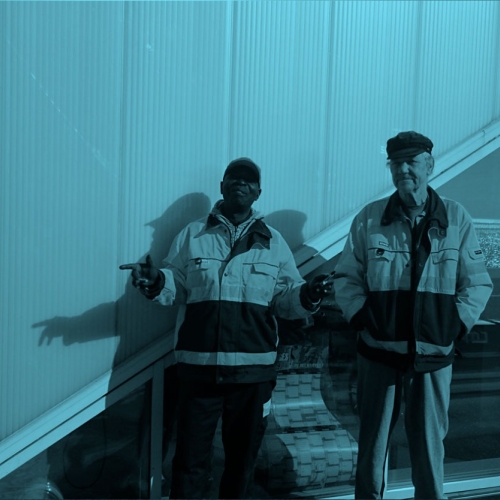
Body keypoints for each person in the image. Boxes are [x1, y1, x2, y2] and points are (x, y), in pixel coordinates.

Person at [120, 157, 334, 499]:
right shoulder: (192, 235)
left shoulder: (274, 242)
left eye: (248, 180)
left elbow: (285, 299)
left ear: (258, 192)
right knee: (189, 464)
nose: (240, 183)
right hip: (199, 371)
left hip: (253, 376)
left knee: (241, 464)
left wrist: (309, 294)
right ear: (222, 186)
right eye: (234, 178)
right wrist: (155, 280)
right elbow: (175, 284)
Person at [333, 131, 493, 499]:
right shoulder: (369, 218)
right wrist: (363, 318)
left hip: (434, 355)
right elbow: (346, 278)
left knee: (429, 445)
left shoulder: (456, 217)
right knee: (372, 444)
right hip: (378, 352)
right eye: (396, 163)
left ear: (429, 165)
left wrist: (454, 325)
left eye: (411, 162)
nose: (403, 170)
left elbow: (477, 283)